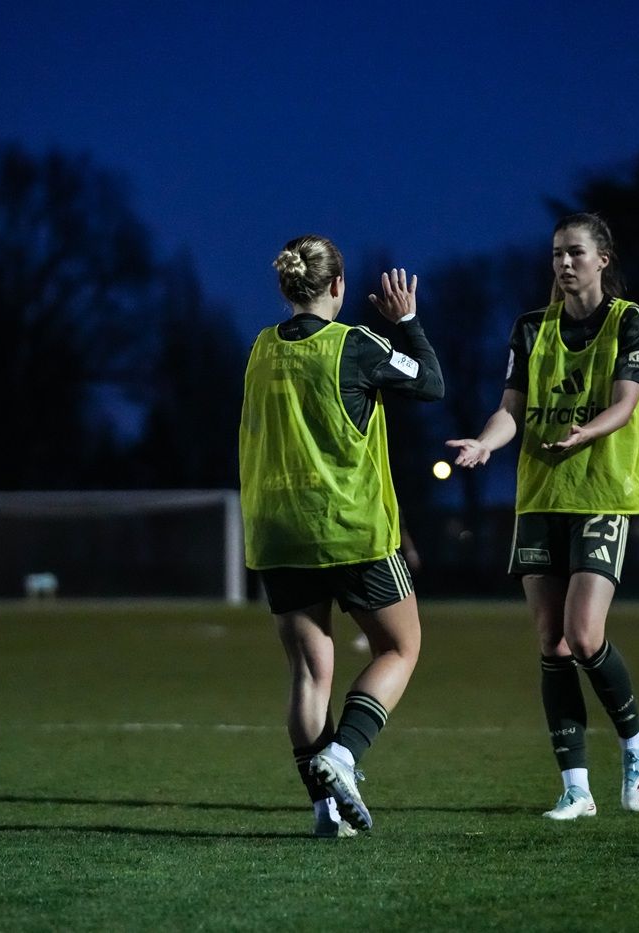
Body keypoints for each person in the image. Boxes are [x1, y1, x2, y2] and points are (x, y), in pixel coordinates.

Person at [447, 212, 639, 818]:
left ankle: (636, 743)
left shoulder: (630, 320)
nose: (564, 264)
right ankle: (575, 788)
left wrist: (583, 433)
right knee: (552, 642)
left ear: (603, 259)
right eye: (557, 254)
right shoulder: (530, 328)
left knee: (585, 634)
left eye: (576, 253)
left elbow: (625, 404)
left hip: (602, 493)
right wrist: (487, 443)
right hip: (539, 497)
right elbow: (511, 409)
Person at [239, 234, 444, 838]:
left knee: (310, 673)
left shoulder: (258, 349)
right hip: (348, 529)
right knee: (400, 648)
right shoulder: (354, 345)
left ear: (286, 288)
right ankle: (345, 756)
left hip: (278, 533)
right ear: (338, 287)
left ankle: (326, 813)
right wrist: (405, 320)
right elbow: (430, 383)